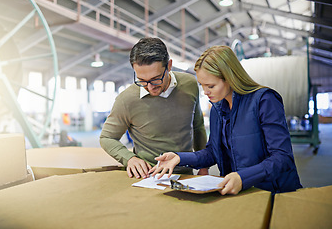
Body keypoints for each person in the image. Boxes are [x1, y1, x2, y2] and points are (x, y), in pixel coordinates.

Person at [149, 45, 302, 195]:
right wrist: (180, 157)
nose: (205, 92)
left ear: (230, 78)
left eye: (211, 86)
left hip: (275, 192)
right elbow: (213, 153)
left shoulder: (264, 101)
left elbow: (282, 158)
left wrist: (243, 178)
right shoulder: (217, 109)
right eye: (202, 85)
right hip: (240, 192)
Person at [100, 37, 208, 179]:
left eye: (156, 79)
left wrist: (203, 165)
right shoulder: (126, 100)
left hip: (185, 174)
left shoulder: (190, 84)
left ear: (169, 66)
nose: (150, 87)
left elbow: (198, 126)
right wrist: (129, 158)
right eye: (142, 81)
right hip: (147, 176)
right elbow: (107, 137)